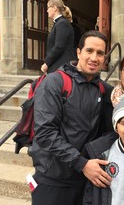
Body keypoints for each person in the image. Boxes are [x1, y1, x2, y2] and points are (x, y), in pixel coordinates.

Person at [30, 30, 113, 205]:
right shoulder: (54, 82)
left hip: (84, 179)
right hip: (53, 179)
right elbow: (45, 133)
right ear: (78, 52)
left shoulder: (104, 89)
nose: (94, 57)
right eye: (89, 51)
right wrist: (81, 163)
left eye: (100, 53)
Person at [41, 0, 76, 73]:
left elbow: (59, 46)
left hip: (62, 65)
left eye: (48, 8)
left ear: (54, 8)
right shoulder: (59, 23)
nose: (47, 10)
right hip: (59, 65)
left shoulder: (62, 23)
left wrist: (47, 63)